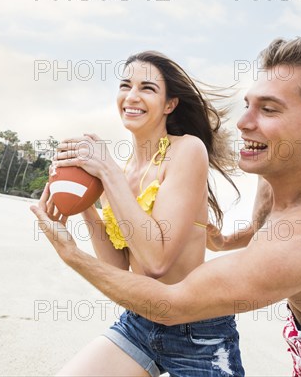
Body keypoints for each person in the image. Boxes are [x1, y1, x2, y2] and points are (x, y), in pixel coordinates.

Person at [32, 33, 301, 376]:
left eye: (269, 109)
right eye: (249, 103)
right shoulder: (277, 178)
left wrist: (70, 253)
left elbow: (172, 304)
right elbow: (259, 226)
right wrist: (224, 241)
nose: (243, 122)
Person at [44, 51, 248, 376]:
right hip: (140, 321)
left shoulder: (187, 150)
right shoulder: (122, 172)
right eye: (125, 85)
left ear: (170, 105)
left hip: (196, 332)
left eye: (147, 88)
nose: (132, 96)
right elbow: (119, 266)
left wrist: (106, 172)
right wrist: (85, 203)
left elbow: (156, 262)